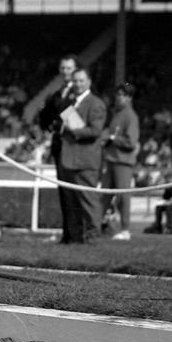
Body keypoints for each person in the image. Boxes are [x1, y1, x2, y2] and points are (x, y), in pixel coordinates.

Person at [55, 67, 106, 244]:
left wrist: (73, 130)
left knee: (89, 202)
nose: (77, 84)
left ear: (89, 82)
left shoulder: (96, 103)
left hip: (85, 161)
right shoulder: (70, 103)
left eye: (81, 80)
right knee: (72, 204)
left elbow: (95, 130)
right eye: (75, 81)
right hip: (69, 160)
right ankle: (75, 239)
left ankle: (93, 239)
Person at [99, 82, 140, 241]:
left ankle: (125, 229)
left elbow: (131, 142)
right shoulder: (117, 114)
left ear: (129, 97)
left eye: (122, 94)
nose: (118, 97)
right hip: (112, 159)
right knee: (104, 196)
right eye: (117, 94)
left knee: (123, 196)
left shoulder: (130, 116)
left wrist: (113, 138)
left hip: (122, 161)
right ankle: (95, 226)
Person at [38, 54, 79, 166]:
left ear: (76, 70)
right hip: (58, 145)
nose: (65, 71)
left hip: (73, 145)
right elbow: (47, 116)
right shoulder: (57, 93)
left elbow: (77, 121)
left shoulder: (80, 92)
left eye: (69, 68)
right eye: (63, 68)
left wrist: (60, 123)